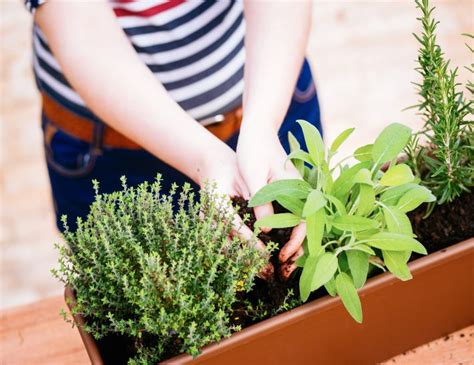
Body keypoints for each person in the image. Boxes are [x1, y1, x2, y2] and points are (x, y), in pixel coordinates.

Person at [26, 0, 322, 279]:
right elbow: (82, 32)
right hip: (114, 156)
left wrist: (262, 124)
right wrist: (205, 156)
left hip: (270, 94)